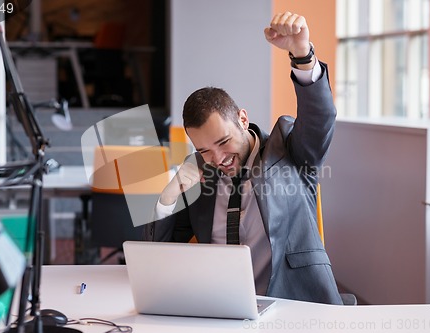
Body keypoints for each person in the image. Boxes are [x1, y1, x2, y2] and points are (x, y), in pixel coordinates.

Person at [143, 11, 343, 304]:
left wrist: (302, 54)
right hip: (220, 307)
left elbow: (320, 118)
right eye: (204, 150)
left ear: (242, 118)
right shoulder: (199, 175)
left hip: (293, 302)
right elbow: (155, 260)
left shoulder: (289, 152)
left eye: (224, 141)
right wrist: (167, 198)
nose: (219, 158)